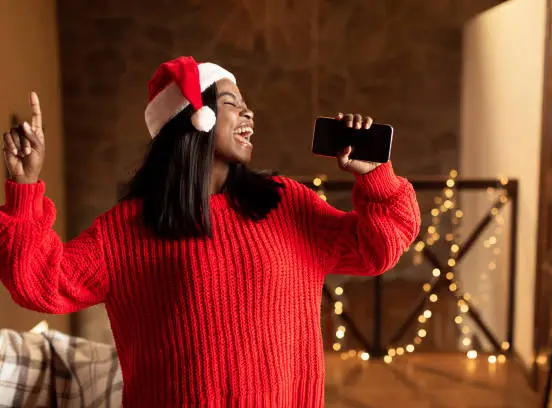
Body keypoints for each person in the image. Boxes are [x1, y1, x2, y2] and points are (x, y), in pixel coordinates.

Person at [0, 56, 421, 407]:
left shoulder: (285, 203)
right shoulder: (128, 230)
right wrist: (23, 190)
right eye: (232, 103)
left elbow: (378, 247)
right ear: (195, 118)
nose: (249, 112)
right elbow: (41, 282)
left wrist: (376, 176)